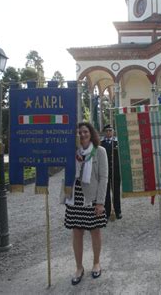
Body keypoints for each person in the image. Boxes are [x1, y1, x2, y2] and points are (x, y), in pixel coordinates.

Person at [64, 122, 108, 285]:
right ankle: (79, 267)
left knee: (95, 231)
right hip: (75, 198)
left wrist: (100, 202)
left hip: (92, 198)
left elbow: (104, 177)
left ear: (91, 133)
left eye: (85, 131)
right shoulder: (72, 152)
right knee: (76, 232)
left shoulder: (99, 151)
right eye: (79, 132)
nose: (82, 135)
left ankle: (96, 262)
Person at [101, 124, 122, 219]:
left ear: (113, 131)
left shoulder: (118, 142)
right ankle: (107, 212)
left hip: (115, 171)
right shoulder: (101, 143)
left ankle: (118, 211)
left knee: (116, 192)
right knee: (106, 193)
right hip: (104, 171)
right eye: (107, 131)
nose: (109, 132)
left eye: (110, 130)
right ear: (104, 132)